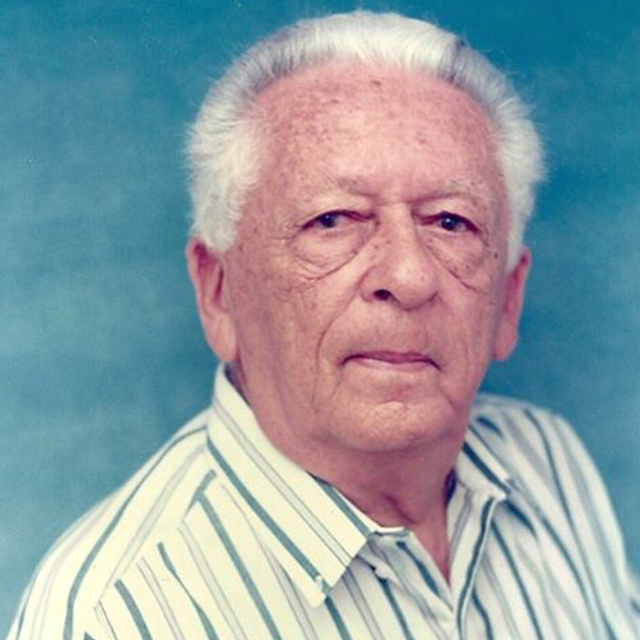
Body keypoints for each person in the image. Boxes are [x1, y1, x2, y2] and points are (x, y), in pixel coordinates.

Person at [7, 11, 640, 640]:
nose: (408, 275)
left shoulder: (549, 465)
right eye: (333, 220)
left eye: (451, 222)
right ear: (218, 291)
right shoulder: (113, 617)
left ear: (507, 299)